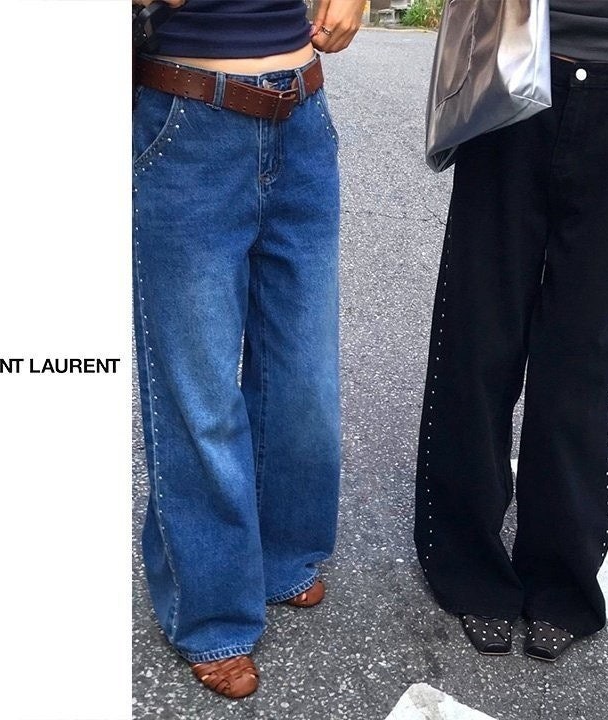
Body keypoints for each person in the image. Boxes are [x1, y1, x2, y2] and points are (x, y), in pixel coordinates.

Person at [415, 1, 608, 662]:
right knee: (479, 337)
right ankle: (466, 561)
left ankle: (561, 575)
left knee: (588, 357)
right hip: (515, 79)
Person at [132, 0, 364, 698]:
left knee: (304, 377)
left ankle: (283, 555)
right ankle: (209, 611)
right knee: (200, 395)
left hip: (303, 115)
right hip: (187, 119)